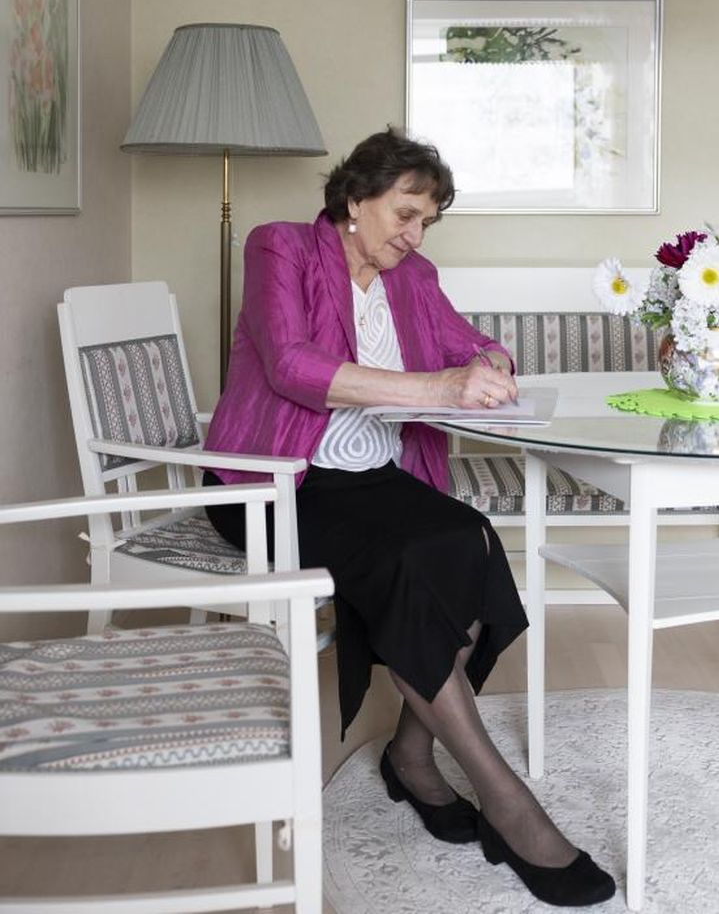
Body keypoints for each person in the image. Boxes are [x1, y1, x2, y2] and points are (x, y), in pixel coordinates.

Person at [203, 127, 615, 907]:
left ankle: (411, 754)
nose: (415, 235)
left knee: (470, 541)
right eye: (405, 214)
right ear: (355, 199)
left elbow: (473, 344)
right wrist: (438, 389)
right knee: (414, 561)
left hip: (374, 477)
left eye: (427, 221)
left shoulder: (413, 275)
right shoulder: (280, 247)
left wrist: (489, 363)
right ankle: (508, 802)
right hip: (279, 481)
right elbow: (290, 365)